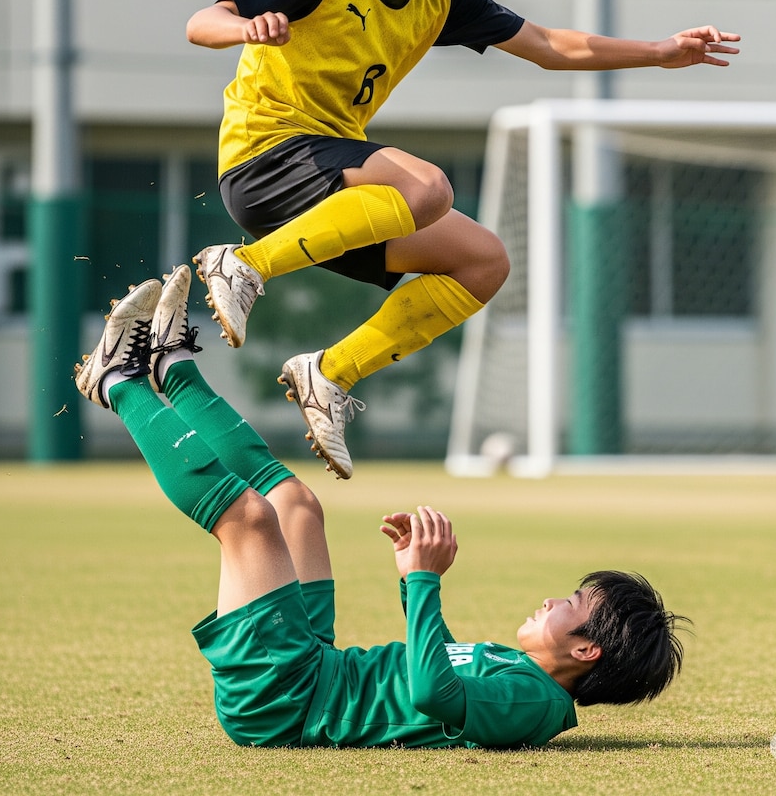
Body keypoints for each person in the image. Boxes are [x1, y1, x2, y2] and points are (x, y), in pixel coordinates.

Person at [185, 0, 741, 480]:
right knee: (428, 188)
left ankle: (329, 374)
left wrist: (660, 52)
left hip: (323, 198)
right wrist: (245, 26)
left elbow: (548, 46)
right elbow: (203, 21)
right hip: (265, 157)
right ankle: (240, 266)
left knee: (483, 262)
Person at [74, 267, 690, 749]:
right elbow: (429, 675)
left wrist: (422, 581)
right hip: (318, 664)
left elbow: (433, 696)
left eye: (574, 605)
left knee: (250, 521)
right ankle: (172, 367)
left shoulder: (538, 705)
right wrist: (410, 578)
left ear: (586, 651)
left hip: (285, 701)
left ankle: (115, 382)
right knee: (296, 504)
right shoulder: (518, 668)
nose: (555, 600)